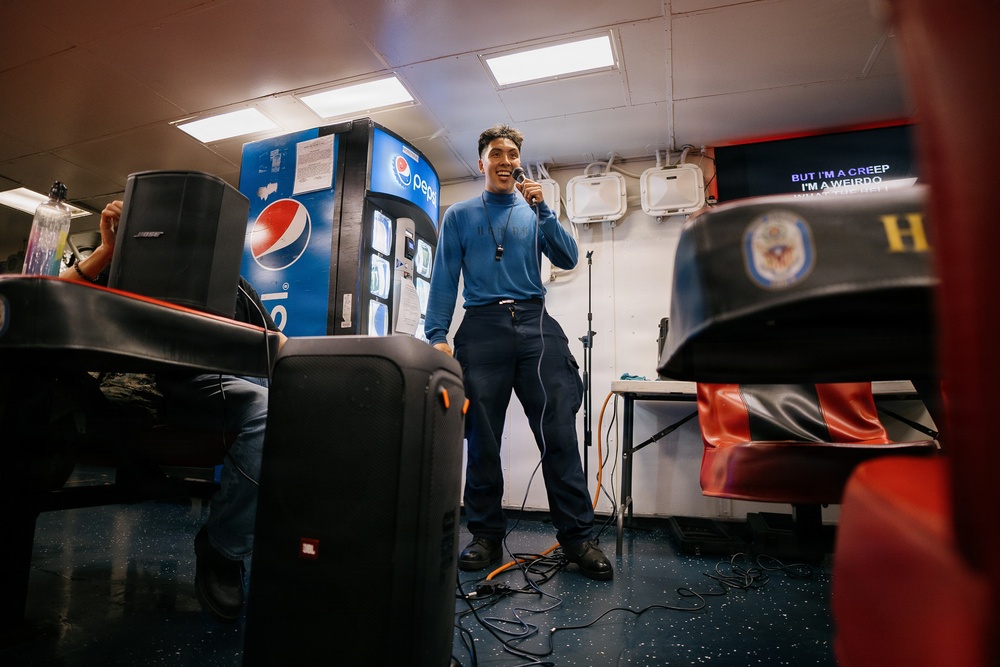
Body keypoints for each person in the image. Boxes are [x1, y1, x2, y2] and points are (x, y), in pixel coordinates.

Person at [61, 199, 286, 620]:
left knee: (296, 397)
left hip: (226, 380)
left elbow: (279, 344)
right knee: (265, 409)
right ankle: (224, 549)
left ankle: (296, 539)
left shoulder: (233, 285)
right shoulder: (130, 269)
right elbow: (57, 296)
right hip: (171, 385)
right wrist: (107, 250)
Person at [423, 124, 612, 581]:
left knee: (559, 433)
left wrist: (544, 209)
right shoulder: (460, 216)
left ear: (519, 162)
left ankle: (577, 538)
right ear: (481, 162)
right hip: (481, 326)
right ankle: (486, 535)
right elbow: (445, 276)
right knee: (482, 438)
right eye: (496, 153)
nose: (505, 160)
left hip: (535, 323)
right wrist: (437, 334)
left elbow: (568, 257)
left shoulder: (534, 211)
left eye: (512, 154)